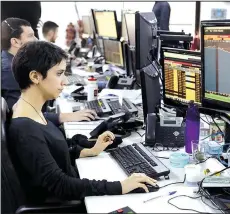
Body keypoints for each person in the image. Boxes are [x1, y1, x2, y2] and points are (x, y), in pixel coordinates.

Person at [8, 40, 157, 203]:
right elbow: (61, 185)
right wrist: (120, 186)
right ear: (35, 76)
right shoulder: (26, 129)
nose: (65, 81)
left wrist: (90, 150)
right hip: (63, 205)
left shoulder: (29, 110)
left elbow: (53, 151)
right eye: (59, 74)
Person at [1, 18, 96, 124]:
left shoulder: (12, 61)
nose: (36, 39)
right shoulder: (9, 72)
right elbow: (23, 117)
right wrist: (66, 116)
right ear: (15, 42)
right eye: (30, 36)